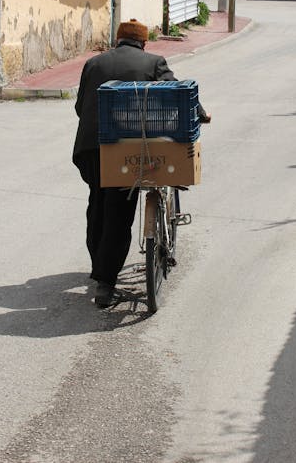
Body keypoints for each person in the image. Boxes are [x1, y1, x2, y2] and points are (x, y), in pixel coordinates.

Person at [73, 18, 210, 308]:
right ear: (144, 43)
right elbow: (178, 94)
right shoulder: (154, 62)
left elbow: (78, 106)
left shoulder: (94, 63)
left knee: (97, 203)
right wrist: (201, 112)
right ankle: (106, 285)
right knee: (119, 212)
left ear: (118, 39)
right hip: (124, 149)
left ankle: (100, 268)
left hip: (88, 148)